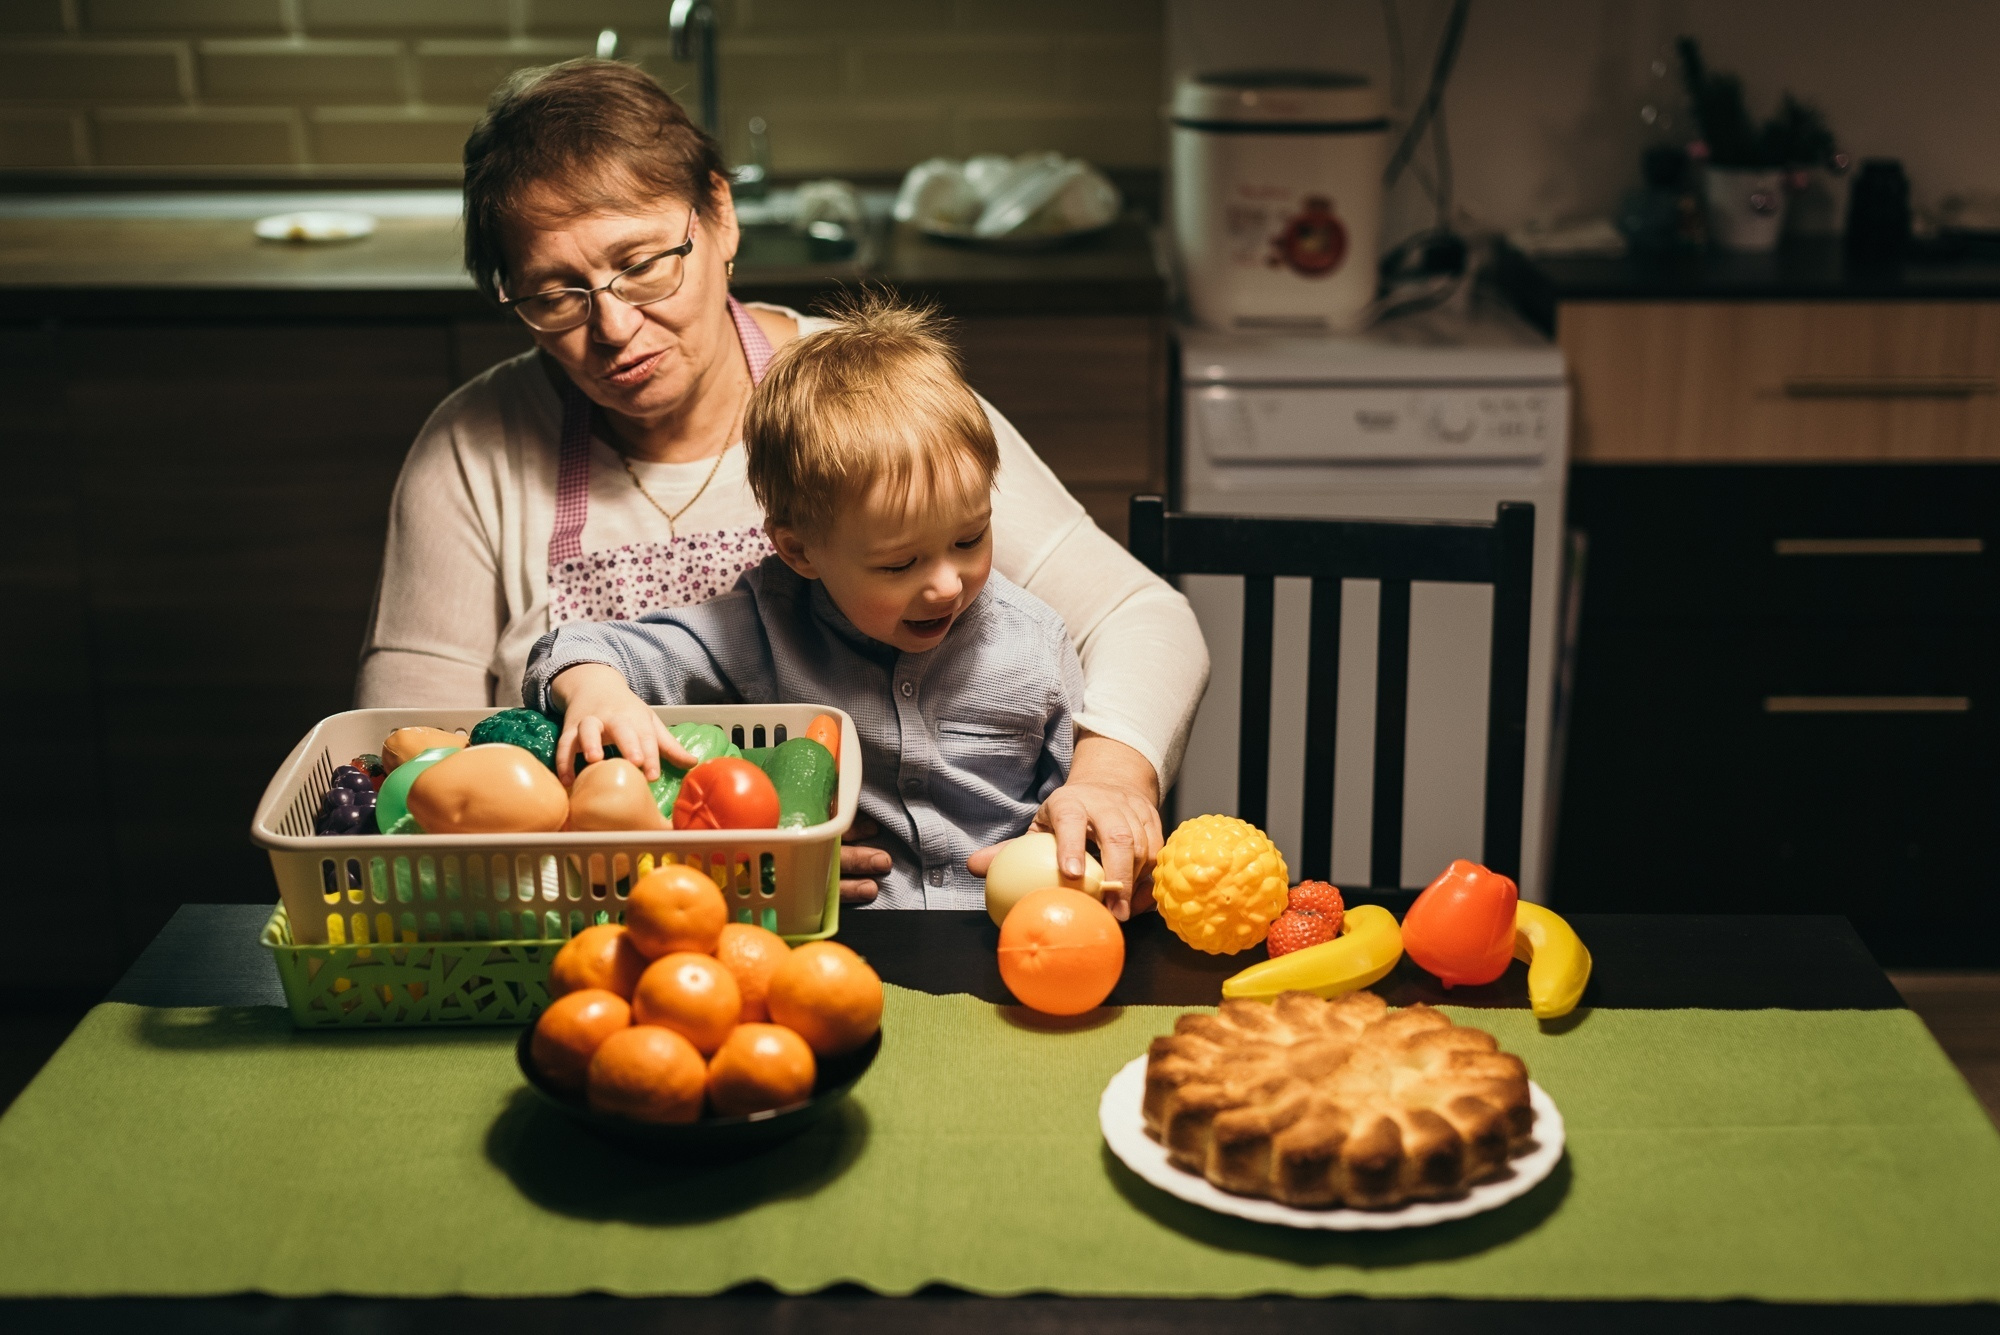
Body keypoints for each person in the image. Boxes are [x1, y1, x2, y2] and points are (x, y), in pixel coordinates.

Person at [355, 58, 1207, 914]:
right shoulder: (470, 449)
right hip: (589, 918)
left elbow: (1142, 618)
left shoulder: (870, 406)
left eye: (644, 262)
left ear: (720, 218)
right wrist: (693, 867)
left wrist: (1108, 776)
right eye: (555, 294)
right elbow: (408, 762)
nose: (612, 328)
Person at [524, 297, 1080, 910]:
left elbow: (1079, 807)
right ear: (799, 552)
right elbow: (581, 645)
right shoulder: (761, 627)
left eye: (969, 539)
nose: (947, 584)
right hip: (834, 943)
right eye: (899, 564)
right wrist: (594, 689)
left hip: (1014, 940)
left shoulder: (1034, 643)